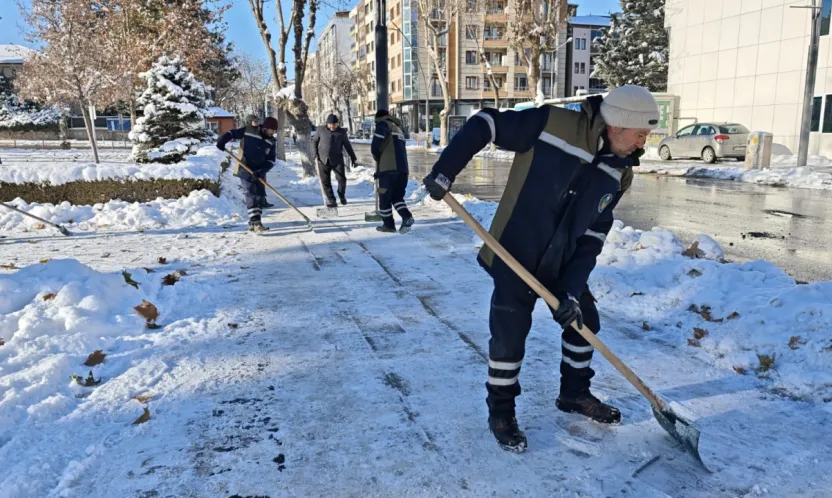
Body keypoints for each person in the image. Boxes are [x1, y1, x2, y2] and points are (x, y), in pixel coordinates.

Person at [422, 85, 658, 453]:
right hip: (515, 252)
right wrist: (445, 171)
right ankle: (501, 412)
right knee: (509, 334)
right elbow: (485, 123)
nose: (643, 143)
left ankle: (574, 394)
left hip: (562, 263)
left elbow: (593, 237)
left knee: (584, 324)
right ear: (619, 124)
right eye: (641, 133)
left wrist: (570, 290)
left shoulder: (619, 173)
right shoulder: (552, 124)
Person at [217, 116, 279, 233]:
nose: (273, 133)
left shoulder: (271, 141)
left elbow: (271, 160)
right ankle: (257, 223)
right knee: (251, 195)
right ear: (265, 127)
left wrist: (261, 171)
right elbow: (232, 133)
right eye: (271, 130)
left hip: (259, 171)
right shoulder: (250, 130)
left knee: (260, 196)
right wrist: (222, 140)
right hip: (245, 169)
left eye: (274, 131)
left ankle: (252, 222)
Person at [371, 109, 414, 233]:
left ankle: (388, 225)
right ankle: (407, 217)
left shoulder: (383, 124)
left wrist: (376, 157)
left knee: (384, 197)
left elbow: (375, 146)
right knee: (396, 197)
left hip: (389, 169)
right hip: (403, 170)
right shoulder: (398, 128)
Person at [313, 114, 358, 207]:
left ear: (337, 124)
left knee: (342, 180)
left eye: (334, 124)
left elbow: (347, 145)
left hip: (337, 160)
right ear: (327, 123)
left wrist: (353, 158)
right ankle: (332, 200)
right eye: (330, 124)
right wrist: (315, 154)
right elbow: (314, 141)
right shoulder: (320, 130)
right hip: (322, 159)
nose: (332, 126)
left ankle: (341, 195)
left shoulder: (341, 132)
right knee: (325, 181)